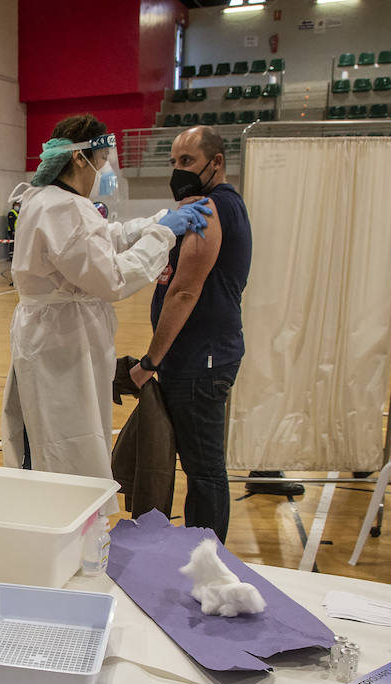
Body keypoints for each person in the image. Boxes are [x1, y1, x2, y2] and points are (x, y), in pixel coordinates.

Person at [2, 114, 211, 478]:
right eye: (101, 159)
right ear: (80, 158)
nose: (105, 168)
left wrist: (154, 222)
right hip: (62, 344)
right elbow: (112, 278)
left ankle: (71, 514)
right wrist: (162, 236)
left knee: (63, 433)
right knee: (65, 439)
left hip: (57, 337)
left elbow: (101, 239)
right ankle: (67, 519)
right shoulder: (62, 208)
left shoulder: (53, 201)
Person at [130, 125, 252, 542]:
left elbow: (184, 291)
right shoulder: (209, 205)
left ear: (216, 163)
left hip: (202, 359)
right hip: (198, 356)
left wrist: (150, 361)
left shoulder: (209, 209)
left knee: (204, 470)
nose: (178, 171)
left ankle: (206, 559)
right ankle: (199, 552)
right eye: (173, 162)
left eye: (188, 161)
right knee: (200, 466)